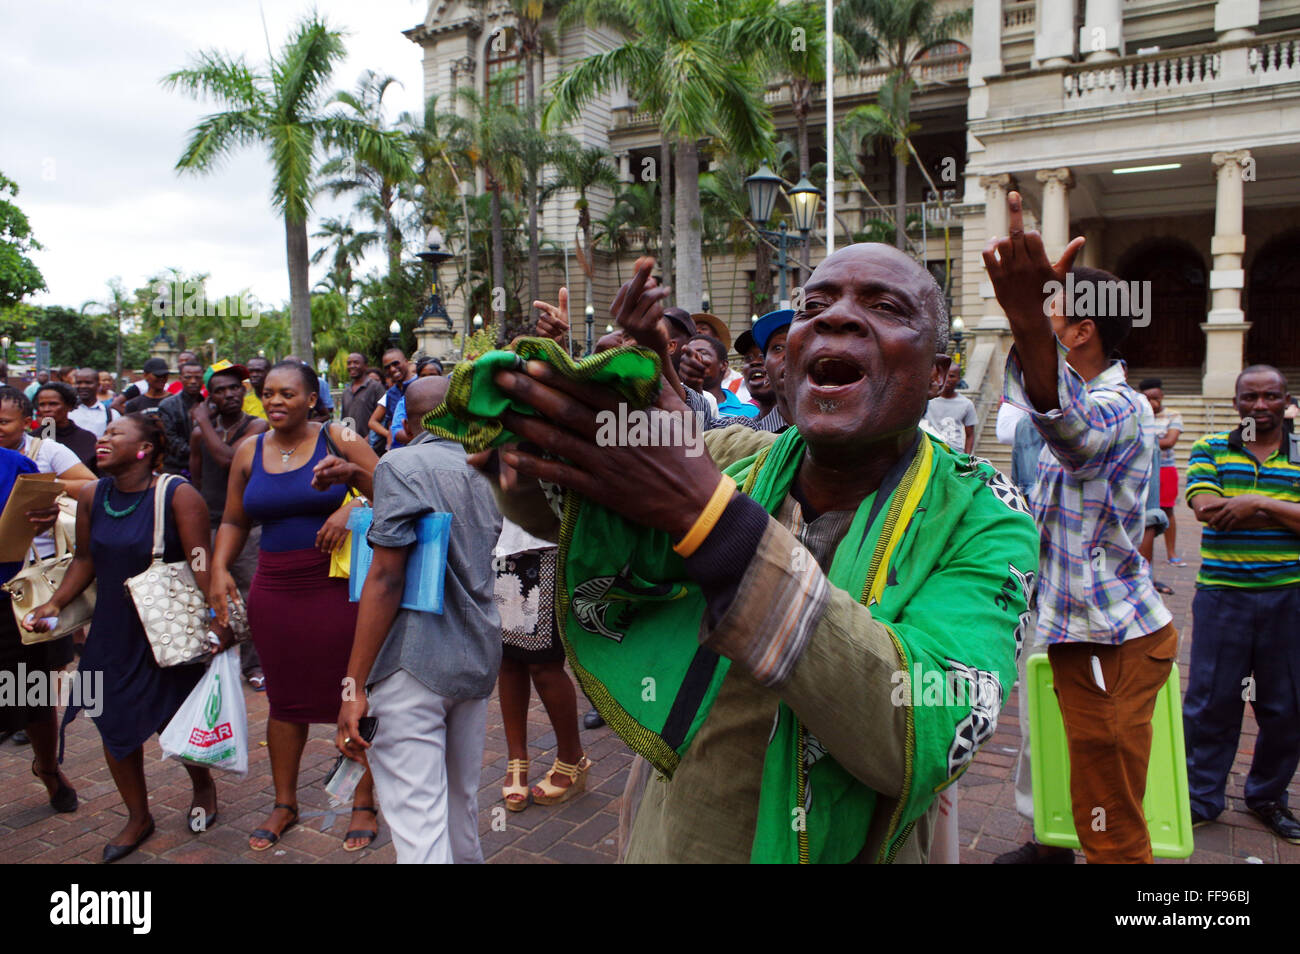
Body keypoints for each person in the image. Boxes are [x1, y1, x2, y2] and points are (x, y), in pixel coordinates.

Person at [473, 250, 1038, 862]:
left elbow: (926, 730)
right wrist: (528, 431)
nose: (836, 319)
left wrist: (714, 524)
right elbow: (559, 508)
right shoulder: (730, 454)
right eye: (814, 306)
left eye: (883, 306)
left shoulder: (988, 516)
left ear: (937, 374)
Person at [985, 191, 1175, 864]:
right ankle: (1047, 845)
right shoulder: (1099, 397)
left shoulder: (1118, 406)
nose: (1043, 322)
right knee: (1077, 786)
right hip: (1074, 625)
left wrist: (1025, 323)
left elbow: (1072, 433)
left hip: (1109, 640)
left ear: (1083, 331)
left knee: (1114, 831)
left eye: (1053, 313)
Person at [22, 413, 227, 862]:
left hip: (165, 630)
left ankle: (202, 785)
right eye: (104, 433)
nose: (103, 438)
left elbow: (200, 561)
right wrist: (54, 603)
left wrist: (216, 617)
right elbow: (85, 559)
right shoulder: (96, 494)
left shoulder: (177, 494)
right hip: (113, 630)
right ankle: (138, 816)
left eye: (116, 434)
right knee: (110, 720)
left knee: (177, 720)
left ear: (145, 448)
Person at [210, 360, 380, 852]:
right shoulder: (248, 450)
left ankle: (363, 800)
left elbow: (393, 489)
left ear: (311, 398)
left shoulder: (337, 438)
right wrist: (219, 568)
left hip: (336, 587)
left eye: (288, 393)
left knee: (350, 694)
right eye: (268, 393)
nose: (276, 401)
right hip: (274, 590)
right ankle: (285, 802)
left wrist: (353, 507)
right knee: (284, 701)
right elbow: (234, 521)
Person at [336, 376, 502, 863]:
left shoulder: (400, 463)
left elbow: (386, 577)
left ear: (405, 423)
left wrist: (354, 683)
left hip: (412, 661)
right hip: (473, 657)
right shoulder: (491, 469)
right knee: (460, 809)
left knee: (418, 827)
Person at [1183, 365, 1300, 844]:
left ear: (1285, 400)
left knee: (1286, 705)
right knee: (1211, 701)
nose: (1259, 406)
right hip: (1221, 597)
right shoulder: (1211, 447)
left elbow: (1231, 508)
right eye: (1249, 396)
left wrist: (1255, 502)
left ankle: (1268, 797)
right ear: (1235, 401)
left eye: (1270, 396)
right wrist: (1284, 510)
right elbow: (1205, 509)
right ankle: (1199, 798)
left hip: (1288, 598)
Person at [0, 443, 78, 810]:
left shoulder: (15, 465)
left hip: (9, 600)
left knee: (31, 693)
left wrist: (47, 516)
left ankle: (48, 769)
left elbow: (45, 512)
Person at [189, 362, 269, 690]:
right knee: (209, 591)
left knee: (251, 593)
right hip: (210, 523)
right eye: (220, 390)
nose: (229, 394)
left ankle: (254, 664)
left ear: (245, 390)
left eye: (235, 387)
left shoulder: (258, 426)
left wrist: (203, 421)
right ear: (212, 396)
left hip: (248, 525)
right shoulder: (200, 434)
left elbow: (228, 458)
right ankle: (213, 655)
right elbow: (196, 476)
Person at [1138, 378, 1186, 566]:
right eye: (1147, 398)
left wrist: (1142, 442)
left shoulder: (1172, 415)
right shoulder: (1139, 414)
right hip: (1142, 468)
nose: (1152, 402)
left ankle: (1171, 552)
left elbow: (1170, 441)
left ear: (1162, 395)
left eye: (1156, 398)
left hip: (1165, 468)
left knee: (1167, 509)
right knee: (1144, 511)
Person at [682, 335, 759, 420]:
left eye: (702, 353)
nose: (693, 359)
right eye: (687, 354)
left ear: (723, 365)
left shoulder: (750, 412)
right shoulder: (670, 404)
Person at [33, 383, 98, 472]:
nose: (46, 409)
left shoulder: (87, 439)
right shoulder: (32, 439)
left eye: (53, 404)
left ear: (69, 405)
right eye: (42, 405)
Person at [157, 359, 205, 475]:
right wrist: (199, 453)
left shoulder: (210, 404)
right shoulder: (167, 405)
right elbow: (171, 439)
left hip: (206, 468)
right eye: (188, 377)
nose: (193, 381)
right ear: (180, 378)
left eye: (197, 377)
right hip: (177, 467)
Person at [691, 312, 750, 402]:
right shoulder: (683, 383)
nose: (698, 332)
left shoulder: (739, 382)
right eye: (694, 330)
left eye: (703, 328)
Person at [367, 349, 416, 453]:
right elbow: (390, 423)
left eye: (395, 364)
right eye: (387, 367)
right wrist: (390, 446)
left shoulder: (421, 385)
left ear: (406, 362)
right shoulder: (391, 394)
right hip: (398, 452)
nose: (392, 369)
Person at [388, 357, 444, 446]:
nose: (428, 379)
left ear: (440, 376)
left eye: (432, 374)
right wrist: (425, 441)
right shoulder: (406, 400)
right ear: (418, 377)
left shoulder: (450, 399)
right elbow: (396, 431)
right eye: (423, 375)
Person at [925, 364, 977, 455]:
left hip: (954, 453)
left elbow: (970, 435)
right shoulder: (927, 400)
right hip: (931, 452)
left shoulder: (966, 404)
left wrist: (967, 458)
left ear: (959, 379)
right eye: (945, 375)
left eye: (952, 376)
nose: (947, 379)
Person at [340, 352, 383, 444]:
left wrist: (367, 439)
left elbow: (383, 418)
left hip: (372, 444)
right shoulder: (346, 392)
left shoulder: (376, 387)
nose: (352, 366)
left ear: (365, 366)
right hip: (351, 444)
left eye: (356, 362)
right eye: (349, 363)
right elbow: (345, 420)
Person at [70, 368, 120, 439]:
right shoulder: (65, 412)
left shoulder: (112, 415)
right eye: (79, 383)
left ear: (98, 385)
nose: (83, 386)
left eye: (88, 383)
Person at [243, 355, 270, 420]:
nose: (254, 375)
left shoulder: (280, 398)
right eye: (250, 371)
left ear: (269, 372)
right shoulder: (244, 402)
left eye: (259, 371)